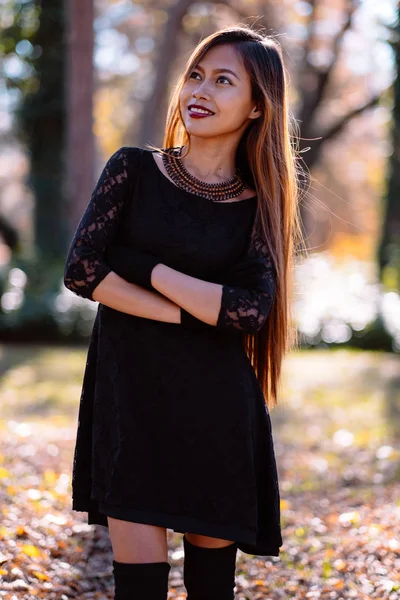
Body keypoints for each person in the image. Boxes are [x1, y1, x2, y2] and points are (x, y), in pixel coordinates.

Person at [63, 24, 303, 600]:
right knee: (139, 590)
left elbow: (249, 311)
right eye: (196, 74)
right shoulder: (133, 170)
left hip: (215, 414)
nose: (200, 89)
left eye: (224, 81)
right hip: (131, 405)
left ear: (255, 107)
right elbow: (83, 272)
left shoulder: (260, 207)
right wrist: (193, 312)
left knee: (211, 592)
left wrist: (145, 267)